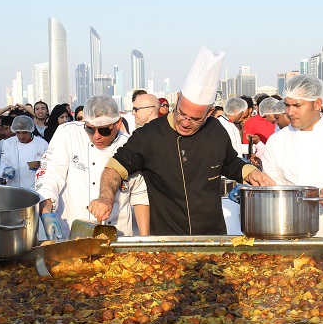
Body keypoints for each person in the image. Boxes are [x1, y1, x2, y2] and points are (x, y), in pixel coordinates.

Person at [88, 46, 274, 235]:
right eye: (181, 113)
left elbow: (231, 164)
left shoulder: (216, 130)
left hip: (212, 240)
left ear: (209, 112)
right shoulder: (149, 136)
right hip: (169, 244)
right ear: (178, 98)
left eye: (195, 119)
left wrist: (252, 174)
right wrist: (105, 197)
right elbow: (114, 168)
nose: (185, 122)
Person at [36, 95, 148, 239]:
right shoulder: (67, 134)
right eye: (90, 129)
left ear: (118, 123)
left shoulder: (129, 146)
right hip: (72, 236)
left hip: (118, 237)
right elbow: (50, 175)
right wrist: (46, 212)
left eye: (104, 130)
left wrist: (145, 240)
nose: (96, 136)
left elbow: (140, 197)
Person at [262, 76, 323, 238]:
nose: (290, 112)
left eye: (297, 105)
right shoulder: (276, 140)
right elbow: (272, 187)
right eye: (287, 105)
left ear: (317, 104)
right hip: (286, 230)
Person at [0, 115, 48, 191]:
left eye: (24, 133)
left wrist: (39, 166)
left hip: (34, 187)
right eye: (18, 133)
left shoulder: (42, 144)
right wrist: (5, 170)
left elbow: (48, 166)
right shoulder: (8, 143)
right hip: (13, 187)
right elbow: (4, 162)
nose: (21, 136)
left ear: (31, 130)